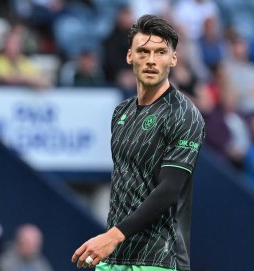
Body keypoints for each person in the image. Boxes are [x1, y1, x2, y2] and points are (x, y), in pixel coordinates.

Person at [71, 15, 205, 271]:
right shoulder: (121, 113)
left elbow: (169, 191)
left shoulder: (184, 114)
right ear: (130, 56)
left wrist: (111, 236)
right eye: (143, 51)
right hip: (114, 258)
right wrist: (111, 241)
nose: (151, 60)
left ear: (174, 59)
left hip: (160, 259)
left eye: (160, 52)